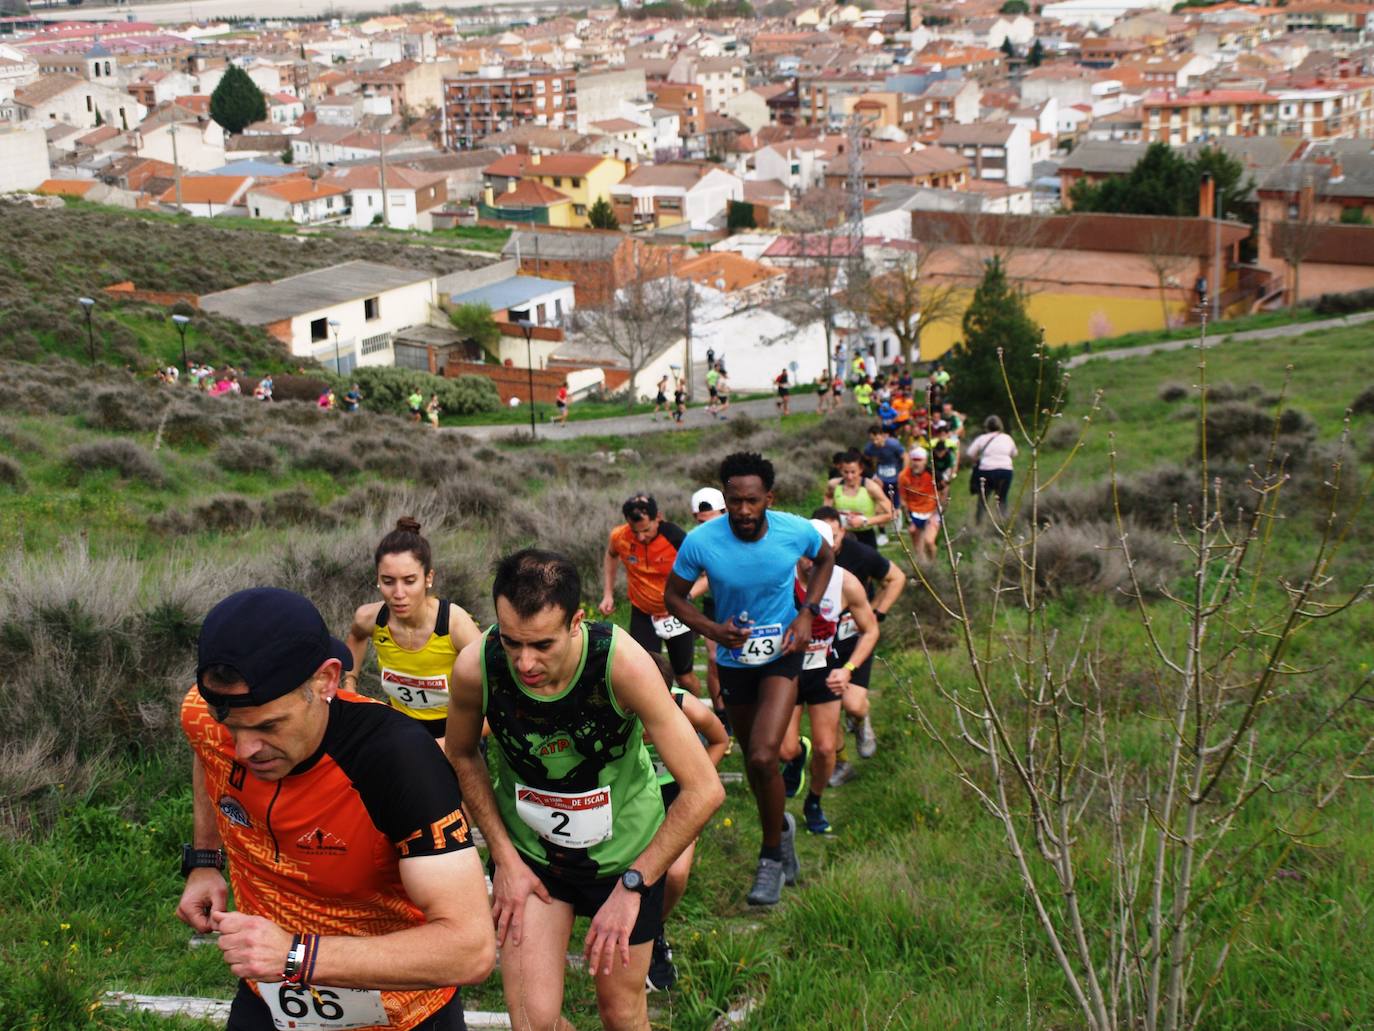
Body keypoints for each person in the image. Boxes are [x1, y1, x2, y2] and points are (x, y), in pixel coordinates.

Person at [177, 588, 495, 1031]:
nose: (245, 749)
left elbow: (471, 948)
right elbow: (206, 751)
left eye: (270, 726)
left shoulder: (398, 760)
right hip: (271, 994)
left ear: (326, 680)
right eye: (231, 727)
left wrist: (296, 953)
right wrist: (205, 861)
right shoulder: (204, 714)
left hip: (401, 1011)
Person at [445, 551, 724, 1031]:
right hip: (533, 857)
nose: (525, 662)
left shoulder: (623, 664)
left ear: (577, 621)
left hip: (624, 858)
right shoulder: (477, 667)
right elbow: (463, 752)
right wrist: (504, 859)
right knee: (532, 1022)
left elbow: (704, 789)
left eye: (542, 645)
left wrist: (635, 885)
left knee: (621, 1013)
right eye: (512, 642)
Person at [664, 451, 836, 906]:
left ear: (768, 499)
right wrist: (713, 630)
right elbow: (673, 597)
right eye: (734, 501)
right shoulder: (702, 542)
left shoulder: (793, 530)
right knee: (754, 764)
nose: (743, 510)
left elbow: (826, 557)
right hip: (736, 661)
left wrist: (807, 613)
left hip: (780, 655)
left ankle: (770, 858)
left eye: (752, 501)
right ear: (725, 498)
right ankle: (782, 827)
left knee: (762, 757)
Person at [777, 520, 879, 834]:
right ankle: (796, 758)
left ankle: (814, 802)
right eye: (804, 553)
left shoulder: (845, 583)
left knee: (826, 748)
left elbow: (871, 629)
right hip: (787, 670)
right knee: (784, 749)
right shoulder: (781, 578)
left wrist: (848, 670)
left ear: (831, 550)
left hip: (824, 669)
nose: (809, 560)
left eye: (816, 553)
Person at [345, 518, 481, 748]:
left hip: (456, 729)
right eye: (388, 581)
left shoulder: (454, 624)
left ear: (428, 578)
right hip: (401, 726)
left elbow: (496, 696)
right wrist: (350, 682)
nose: (398, 593)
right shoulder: (369, 618)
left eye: (409, 581)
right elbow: (356, 635)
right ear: (377, 578)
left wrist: (448, 743)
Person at [642, 654, 728, 991]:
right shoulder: (612, 708)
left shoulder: (684, 705)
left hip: (677, 799)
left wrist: (699, 783)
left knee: (675, 875)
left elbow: (720, 739)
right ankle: (639, 936)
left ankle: (654, 930)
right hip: (631, 803)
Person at [811, 507, 905, 783]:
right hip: (821, 646)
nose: (829, 544)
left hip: (854, 640)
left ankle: (862, 721)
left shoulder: (859, 555)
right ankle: (841, 763)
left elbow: (897, 578)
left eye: (835, 536)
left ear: (844, 532)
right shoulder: (804, 562)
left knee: (852, 704)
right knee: (830, 707)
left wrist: (877, 612)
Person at [599, 494, 701, 698]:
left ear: (658, 518)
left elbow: (705, 576)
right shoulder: (620, 536)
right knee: (646, 672)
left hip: (677, 614)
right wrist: (608, 594)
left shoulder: (676, 538)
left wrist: (682, 599)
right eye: (635, 531)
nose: (641, 537)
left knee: (684, 676)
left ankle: (695, 721)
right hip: (643, 613)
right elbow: (611, 555)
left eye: (646, 530)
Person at [688, 487, 729, 726]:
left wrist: (689, 593)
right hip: (713, 603)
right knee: (714, 658)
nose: (707, 526)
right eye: (701, 521)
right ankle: (722, 716)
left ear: (724, 512)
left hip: (742, 602)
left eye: (712, 520)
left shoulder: (740, 533)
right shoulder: (695, 539)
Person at [824, 449, 893, 550]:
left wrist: (865, 521)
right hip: (842, 536)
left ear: (861, 469)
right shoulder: (834, 484)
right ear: (840, 470)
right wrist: (828, 516)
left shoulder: (871, 487)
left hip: (865, 536)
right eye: (845, 472)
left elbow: (891, 514)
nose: (849, 476)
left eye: (853, 472)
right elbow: (828, 498)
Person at [966, 415, 1018, 523]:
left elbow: (970, 453)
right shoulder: (1007, 438)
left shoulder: (982, 438)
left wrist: (978, 459)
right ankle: (1003, 523)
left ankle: (979, 523)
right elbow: (1014, 453)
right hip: (1005, 471)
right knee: (1002, 498)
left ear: (986, 427)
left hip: (986, 471)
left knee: (983, 499)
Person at [862, 424, 906, 545]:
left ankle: (897, 530)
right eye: (872, 440)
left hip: (894, 479)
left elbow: (905, 457)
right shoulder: (869, 448)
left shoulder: (893, 444)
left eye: (877, 438)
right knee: (879, 507)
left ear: (883, 435)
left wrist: (903, 474)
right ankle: (882, 534)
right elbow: (865, 460)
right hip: (880, 481)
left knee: (895, 506)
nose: (875, 442)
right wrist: (872, 475)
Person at [898, 446, 941, 563]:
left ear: (925, 461)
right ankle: (925, 571)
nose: (916, 463)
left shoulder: (933, 474)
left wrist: (936, 513)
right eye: (914, 459)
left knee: (929, 541)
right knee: (918, 549)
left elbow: (943, 492)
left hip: (931, 512)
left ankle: (933, 564)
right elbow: (903, 499)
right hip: (914, 513)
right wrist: (909, 520)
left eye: (919, 460)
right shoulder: (904, 476)